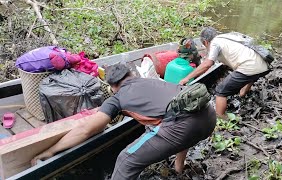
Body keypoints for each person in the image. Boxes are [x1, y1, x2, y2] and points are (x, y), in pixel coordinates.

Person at [31, 64, 216, 180]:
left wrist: (51, 150)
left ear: (112, 86)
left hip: (180, 126)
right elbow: (177, 111)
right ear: (132, 74)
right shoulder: (152, 82)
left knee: (126, 160)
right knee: (164, 122)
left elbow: (86, 130)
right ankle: (178, 169)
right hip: (207, 116)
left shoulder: (117, 97)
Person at [179, 27, 270, 119]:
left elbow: (208, 64)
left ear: (206, 42)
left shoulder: (214, 43)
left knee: (220, 91)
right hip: (263, 65)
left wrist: (187, 78)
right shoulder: (226, 37)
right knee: (250, 74)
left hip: (249, 67)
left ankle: (221, 117)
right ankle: (243, 92)